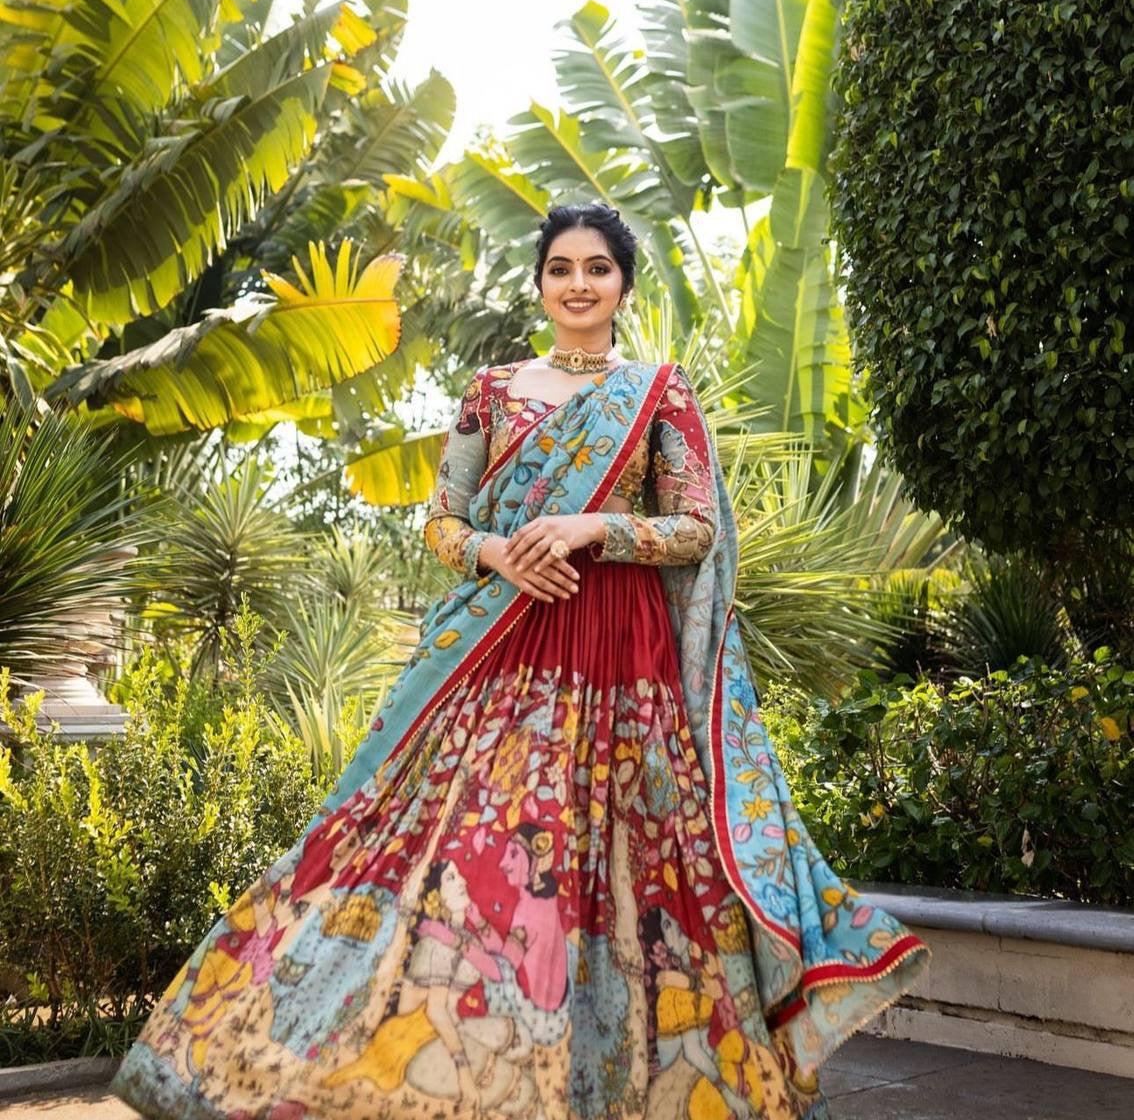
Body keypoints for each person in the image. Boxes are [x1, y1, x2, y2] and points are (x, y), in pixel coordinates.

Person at [111, 202, 930, 1120]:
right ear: (540, 283)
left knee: (634, 883)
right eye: (561, 269)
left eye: (598, 268)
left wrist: (591, 526)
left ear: (623, 282)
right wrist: (499, 554)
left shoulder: (661, 392)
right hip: (505, 658)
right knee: (474, 860)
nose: (579, 284)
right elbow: (441, 521)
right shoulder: (492, 391)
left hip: (627, 669)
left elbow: (698, 528)